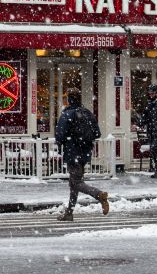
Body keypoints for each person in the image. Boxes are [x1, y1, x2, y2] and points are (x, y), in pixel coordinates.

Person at [54, 88, 110, 222]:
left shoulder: (67, 114)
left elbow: (60, 135)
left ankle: (99, 195)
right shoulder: (88, 113)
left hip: (72, 152)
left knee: (76, 182)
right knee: (74, 183)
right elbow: (97, 133)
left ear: (69, 99)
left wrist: (67, 140)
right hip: (84, 153)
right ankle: (69, 212)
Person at [141, 84, 157, 178]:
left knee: (155, 149)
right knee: (154, 150)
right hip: (152, 129)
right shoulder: (151, 103)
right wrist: (141, 122)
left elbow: (154, 116)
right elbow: (146, 116)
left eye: (152, 93)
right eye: (150, 93)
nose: (151, 95)